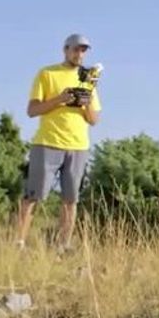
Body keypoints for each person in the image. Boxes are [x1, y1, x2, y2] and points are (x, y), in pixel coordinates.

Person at [14, 33, 102, 252]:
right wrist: (60, 99)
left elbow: (94, 120)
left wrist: (86, 102)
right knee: (33, 196)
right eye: (76, 49)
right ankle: (19, 243)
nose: (79, 54)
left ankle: (63, 246)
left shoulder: (88, 80)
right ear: (65, 49)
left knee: (70, 199)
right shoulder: (47, 73)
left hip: (78, 146)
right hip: (47, 143)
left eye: (83, 50)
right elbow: (32, 110)